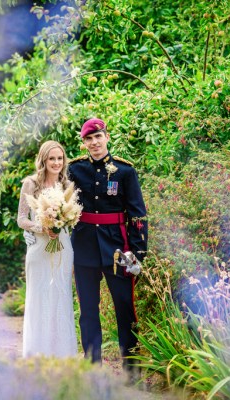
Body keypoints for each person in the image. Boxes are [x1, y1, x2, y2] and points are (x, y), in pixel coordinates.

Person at [67, 118, 148, 375]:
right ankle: (93, 369)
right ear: (84, 143)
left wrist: (138, 254)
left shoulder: (125, 171)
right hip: (84, 249)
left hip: (119, 250)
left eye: (98, 137)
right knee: (88, 311)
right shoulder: (74, 170)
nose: (94, 143)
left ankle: (132, 370)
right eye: (88, 139)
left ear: (107, 136)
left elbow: (137, 214)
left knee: (125, 309)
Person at [17, 140, 78, 358]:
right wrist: (40, 227)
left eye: (60, 158)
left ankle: (61, 353)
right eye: (51, 158)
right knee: (39, 295)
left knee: (60, 295)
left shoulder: (66, 185)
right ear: (43, 160)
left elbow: (72, 216)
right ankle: (37, 353)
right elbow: (21, 219)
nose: (56, 163)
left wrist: (62, 221)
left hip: (62, 246)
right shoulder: (31, 183)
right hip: (39, 248)